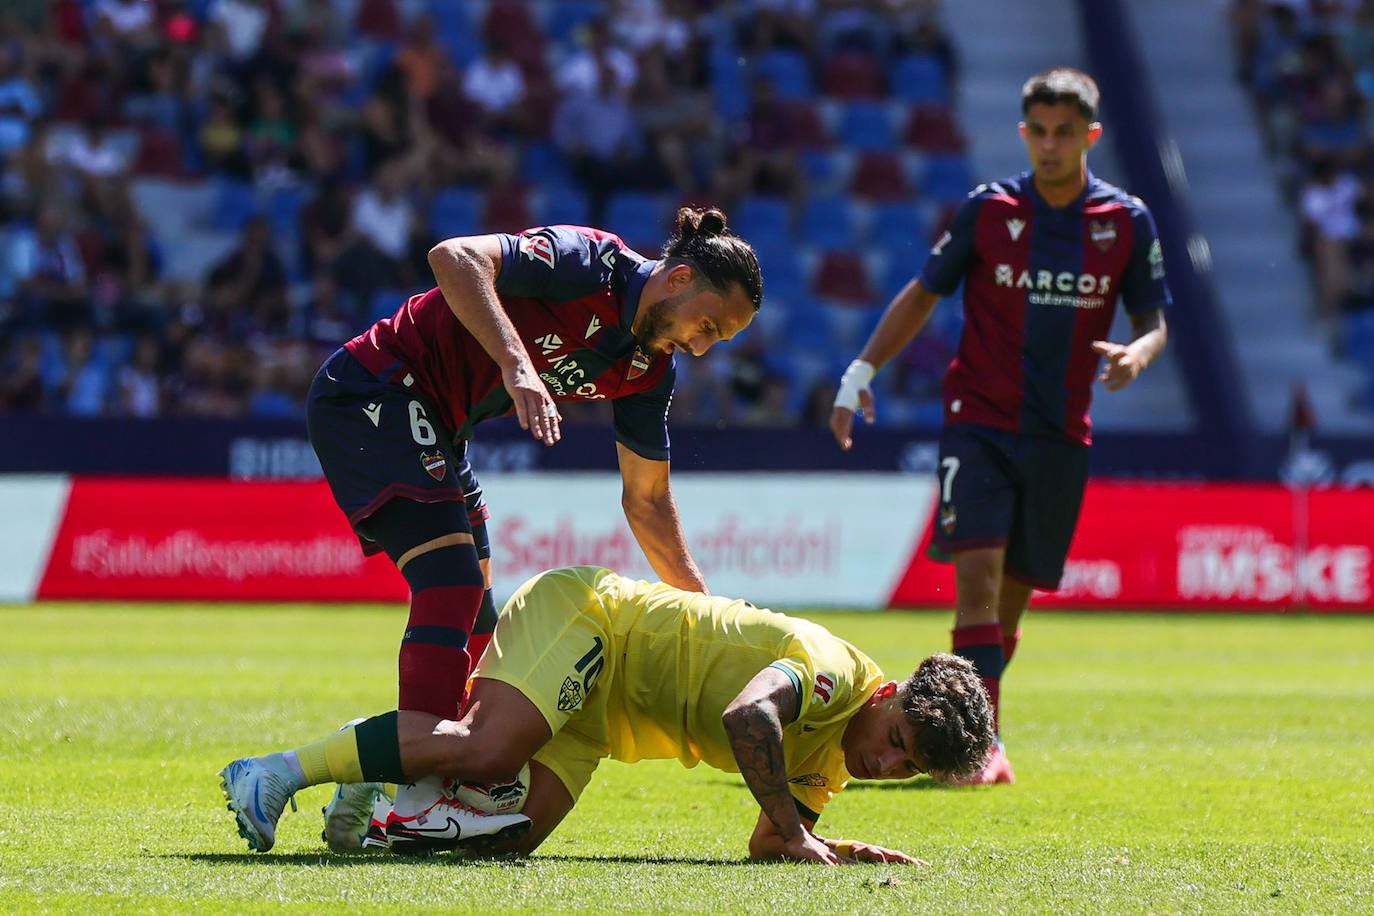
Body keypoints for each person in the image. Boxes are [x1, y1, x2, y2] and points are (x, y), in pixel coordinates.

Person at [219, 208, 763, 854]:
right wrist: (516, 362)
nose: (701, 346)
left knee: (480, 624)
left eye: (716, 341)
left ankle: (372, 768)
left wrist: (699, 611)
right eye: (706, 325)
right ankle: (415, 793)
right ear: (676, 278)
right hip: (376, 389)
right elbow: (453, 256)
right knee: (449, 583)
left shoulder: (648, 370)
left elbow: (646, 499)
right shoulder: (590, 260)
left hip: (440, 430)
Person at [829, 68, 1170, 785]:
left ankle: (958, 729)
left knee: (1007, 606)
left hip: (1059, 435)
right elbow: (923, 293)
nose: (1050, 145)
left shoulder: (1124, 222)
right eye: (1039, 132)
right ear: (1024, 133)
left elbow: (1153, 320)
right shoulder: (990, 209)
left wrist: (1137, 356)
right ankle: (981, 751)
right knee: (978, 583)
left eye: (1065, 133)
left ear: (1091, 136)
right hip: (978, 421)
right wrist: (861, 371)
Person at [221, 565, 995, 863]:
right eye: (898, 743)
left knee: (508, 845)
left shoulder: (839, 763)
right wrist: (799, 835)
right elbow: (747, 718)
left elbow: (769, 846)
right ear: (889, 697)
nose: (887, 765)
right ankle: (274, 773)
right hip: (595, 622)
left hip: (600, 717)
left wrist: (832, 846)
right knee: (488, 754)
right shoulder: (833, 674)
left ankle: (384, 774)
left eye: (909, 769)